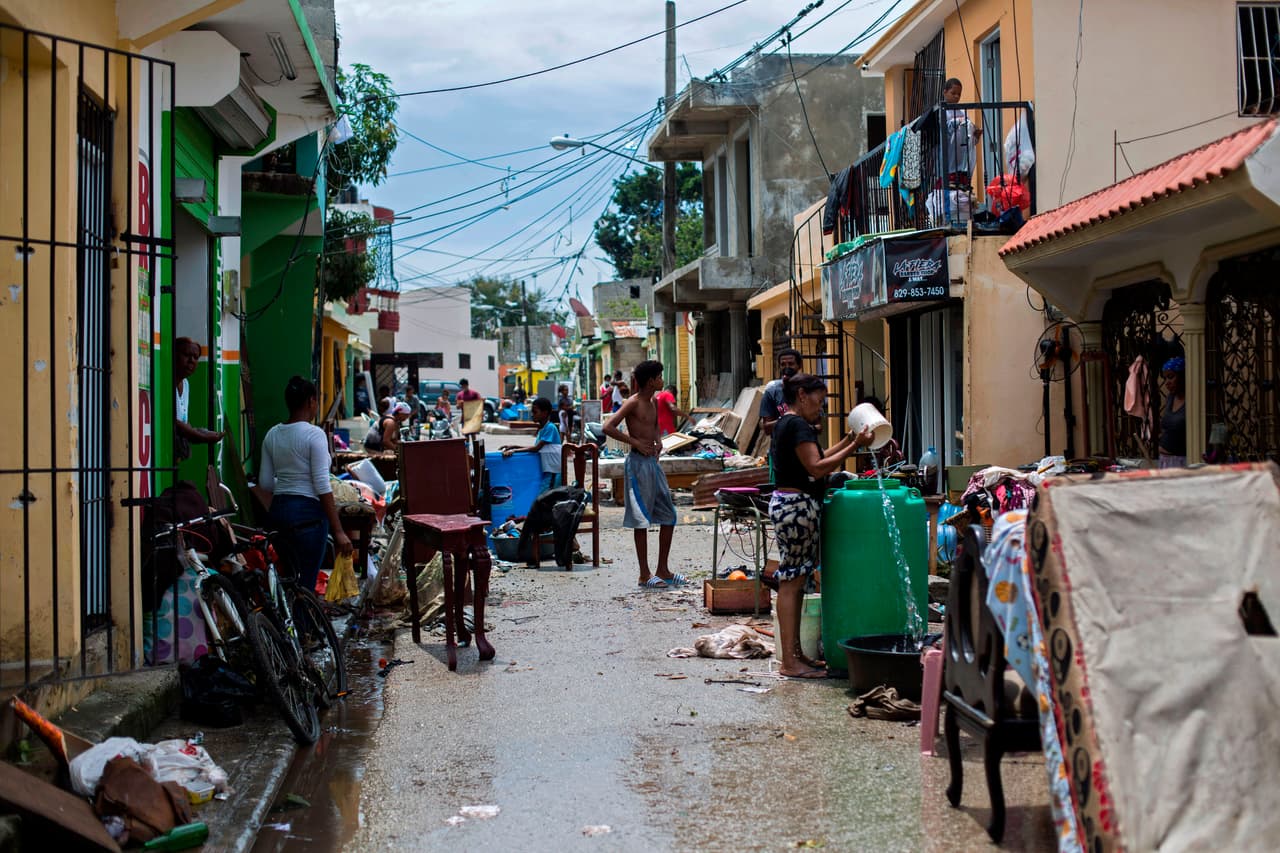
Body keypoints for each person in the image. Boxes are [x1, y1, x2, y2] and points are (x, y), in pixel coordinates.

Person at [769, 372, 875, 678]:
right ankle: (790, 662)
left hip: (790, 506)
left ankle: (796, 654)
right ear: (802, 395)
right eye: (819, 399)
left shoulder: (787, 423)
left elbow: (817, 458)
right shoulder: (797, 425)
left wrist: (849, 440)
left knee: (796, 580)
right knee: (791, 583)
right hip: (796, 508)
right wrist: (855, 447)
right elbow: (816, 468)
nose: (821, 406)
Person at [257, 376, 353, 593]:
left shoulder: (272, 434)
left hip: (278, 513)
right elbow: (322, 484)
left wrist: (289, 481)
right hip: (308, 517)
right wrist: (338, 531)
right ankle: (302, 616)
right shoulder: (314, 434)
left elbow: (265, 482)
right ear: (311, 401)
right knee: (305, 586)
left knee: (286, 582)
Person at [604, 360, 685, 589]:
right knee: (641, 519)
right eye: (659, 377)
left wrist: (658, 441)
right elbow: (608, 427)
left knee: (668, 515)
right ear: (650, 381)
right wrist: (635, 442)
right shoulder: (633, 402)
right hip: (637, 465)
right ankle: (644, 574)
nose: (662, 380)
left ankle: (663, 569)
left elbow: (655, 426)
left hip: (653, 464)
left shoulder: (654, 401)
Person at [174, 337, 224, 461]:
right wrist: (199, 436)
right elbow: (171, 422)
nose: (191, 361)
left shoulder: (185, 384)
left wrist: (199, 432)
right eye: (186, 355)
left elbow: (183, 422)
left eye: (196, 357)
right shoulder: (165, 382)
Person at [501, 397, 562, 492]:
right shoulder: (543, 429)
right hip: (548, 470)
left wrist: (514, 450)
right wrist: (514, 446)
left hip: (554, 471)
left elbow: (536, 448)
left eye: (535, 412)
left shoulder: (550, 428)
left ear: (545, 413)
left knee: (544, 496)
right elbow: (536, 448)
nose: (532, 415)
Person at [760, 348, 802, 436]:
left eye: (791, 364)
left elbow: (818, 427)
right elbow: (767, 428)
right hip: (780, 443)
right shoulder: (772, 392)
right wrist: (789, 420)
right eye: (783, 364)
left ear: (799, 365)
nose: (787, 367)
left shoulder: (808, 389)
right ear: (779, 367)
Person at [1158, 356, 1186, 468]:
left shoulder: (1191, 402)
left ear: (1182, 376)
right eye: (1165, 378)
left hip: (1180, 462)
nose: (1167, 383)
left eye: (1171, 377)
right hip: (1164, 459)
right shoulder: (1170, 398)